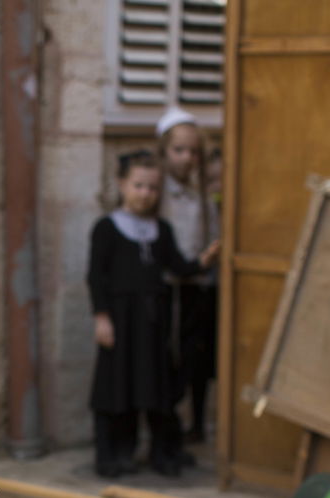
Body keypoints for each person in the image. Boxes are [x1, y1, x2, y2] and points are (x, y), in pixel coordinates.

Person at [87, 149, 219, 478]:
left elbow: (177, 265)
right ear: (121, 184)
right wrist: (101, 317)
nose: (145, 194)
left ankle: (164, 452)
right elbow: (96, 276)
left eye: (152, 188)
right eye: (138, 185)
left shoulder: (161, 230)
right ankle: (115, 455)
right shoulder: (106, 228)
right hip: (120, 322)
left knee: (156, 386)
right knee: (117, 387)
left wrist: (203, 261)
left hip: (153, 324)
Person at [157, 108, 220, 445]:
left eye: (193, 151)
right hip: (172, 285)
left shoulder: (202, 191)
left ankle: (195, 423)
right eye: (179, 150)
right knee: (173, 359)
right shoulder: (160, 192)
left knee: (198, 357)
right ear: (165, 151)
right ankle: (167, 430)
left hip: (200, 283)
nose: (187, 159)